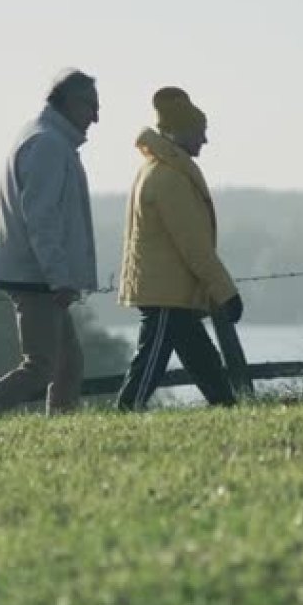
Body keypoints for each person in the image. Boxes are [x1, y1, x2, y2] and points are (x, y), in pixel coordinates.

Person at [0, 68, 99, 417]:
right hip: (35, 274)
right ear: (69, 103)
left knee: (68, 364)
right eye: (91, 106)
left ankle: (63, 432)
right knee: (40, 367)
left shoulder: (44, 136)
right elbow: (42, 218)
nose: (96, 117)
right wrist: (59, 277)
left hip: (36, 271)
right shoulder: (49, 144)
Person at [116, 86, 243, 411]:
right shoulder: (170, 178)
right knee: (150, 363)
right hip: (166, 294)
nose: (205, 140)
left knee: (203, 360)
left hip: (171, 290)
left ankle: (226, 406)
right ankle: (126, 412)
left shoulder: (157, 170)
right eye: (200, 133)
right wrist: (226, 292)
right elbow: (194, 246)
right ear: (181, 132)